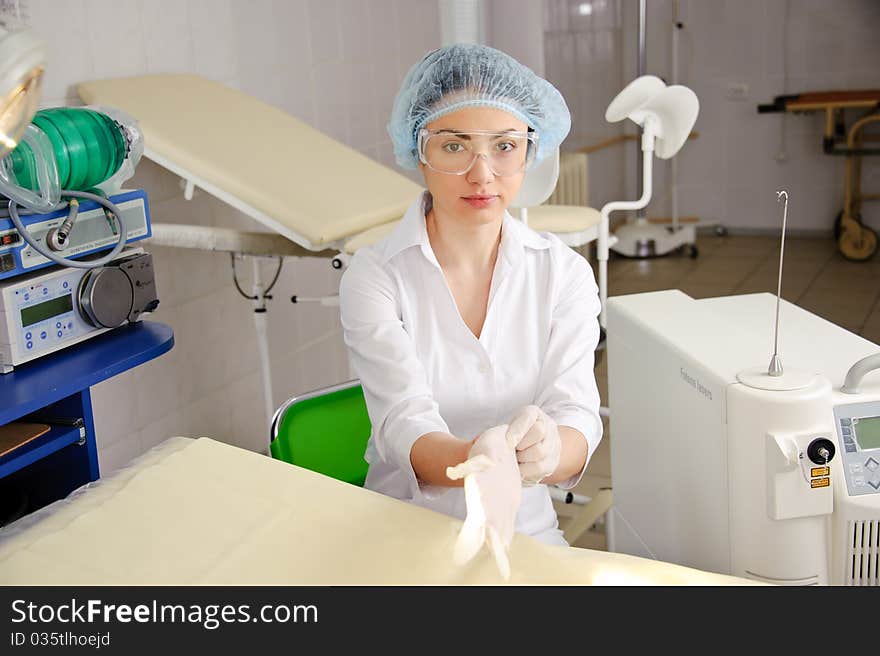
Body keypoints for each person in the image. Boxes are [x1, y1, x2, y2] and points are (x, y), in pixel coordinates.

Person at [339, 43, 602, 550]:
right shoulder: (375, 277)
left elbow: (577, 414)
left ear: (531, 149)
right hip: (407, 530)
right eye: (455, 146)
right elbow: (403, 422)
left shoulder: (563, 273)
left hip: (527, 533)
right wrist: (477, 462)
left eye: (504, 146)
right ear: (419, 150)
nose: (482, 175)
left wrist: (549, 452)